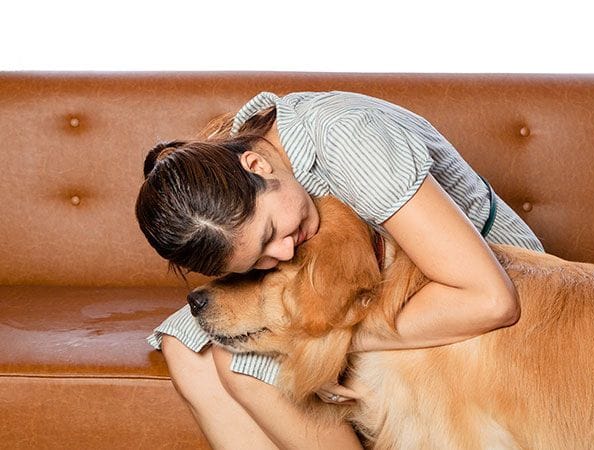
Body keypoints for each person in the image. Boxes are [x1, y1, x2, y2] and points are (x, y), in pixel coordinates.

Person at [135, 90, 544, 449]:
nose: (279, 253)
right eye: (256, 262)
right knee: (189, 348)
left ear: (257, 165)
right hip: (388, 284)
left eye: (272, 233)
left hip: (485, 276)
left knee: (248, 367)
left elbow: (492, 300)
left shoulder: (349, 141)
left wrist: (321, 344)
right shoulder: (238, 165)